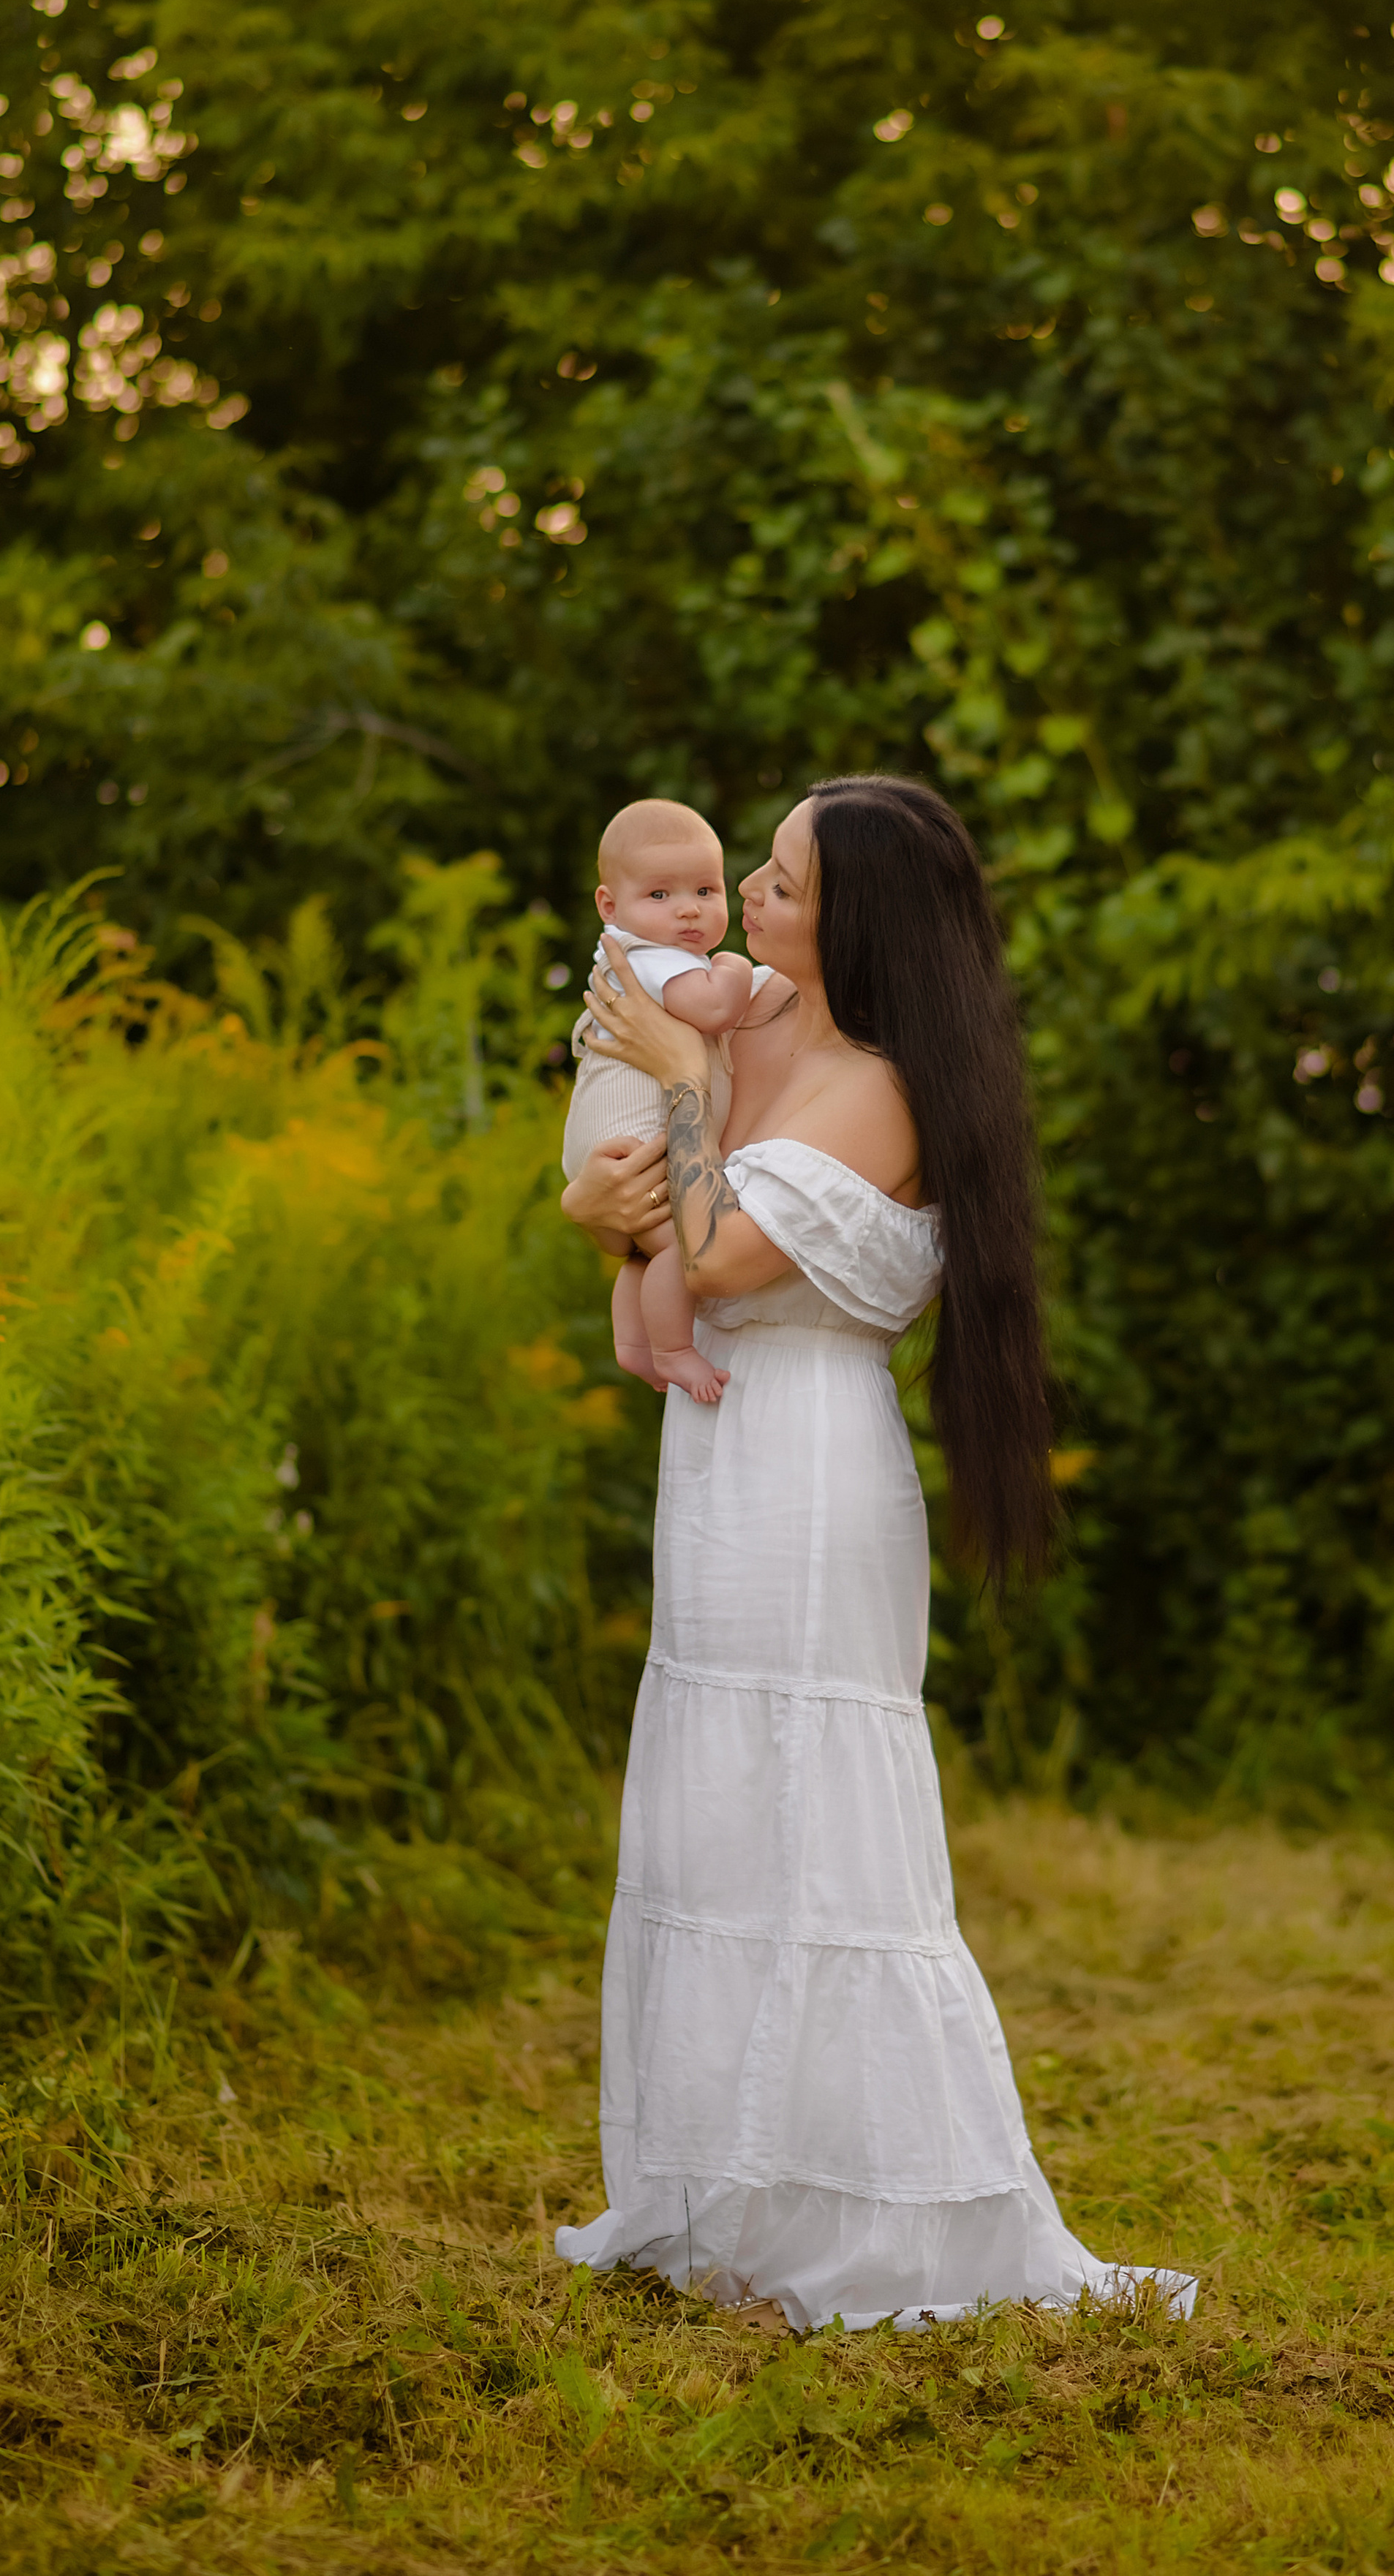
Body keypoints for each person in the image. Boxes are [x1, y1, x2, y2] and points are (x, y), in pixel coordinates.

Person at [555, 774, 1195, 2330]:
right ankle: (725, 2198)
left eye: (775, 884)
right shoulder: (749, 1014)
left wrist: (666, 1102)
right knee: (715, 1814)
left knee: (813, 1820)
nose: (745, 905)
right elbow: (636, 1205)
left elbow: (712, 1250)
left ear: (857, 922)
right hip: (712, 1453)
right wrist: (595, 1197)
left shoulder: (885, 1087)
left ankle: (871, 2219)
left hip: (808, 1470)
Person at [560, 799, 769, 1405]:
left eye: (705, 889)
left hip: (608, 1153)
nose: (687, 909)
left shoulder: (637, 958)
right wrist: (732, 963)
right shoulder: (654, 962)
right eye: (660, 895)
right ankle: (673, 1349)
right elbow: (714, 1007)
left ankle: (632, 1344)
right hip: (635, 1143)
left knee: (638, 1255)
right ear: (609, 907)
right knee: (680, 1246)